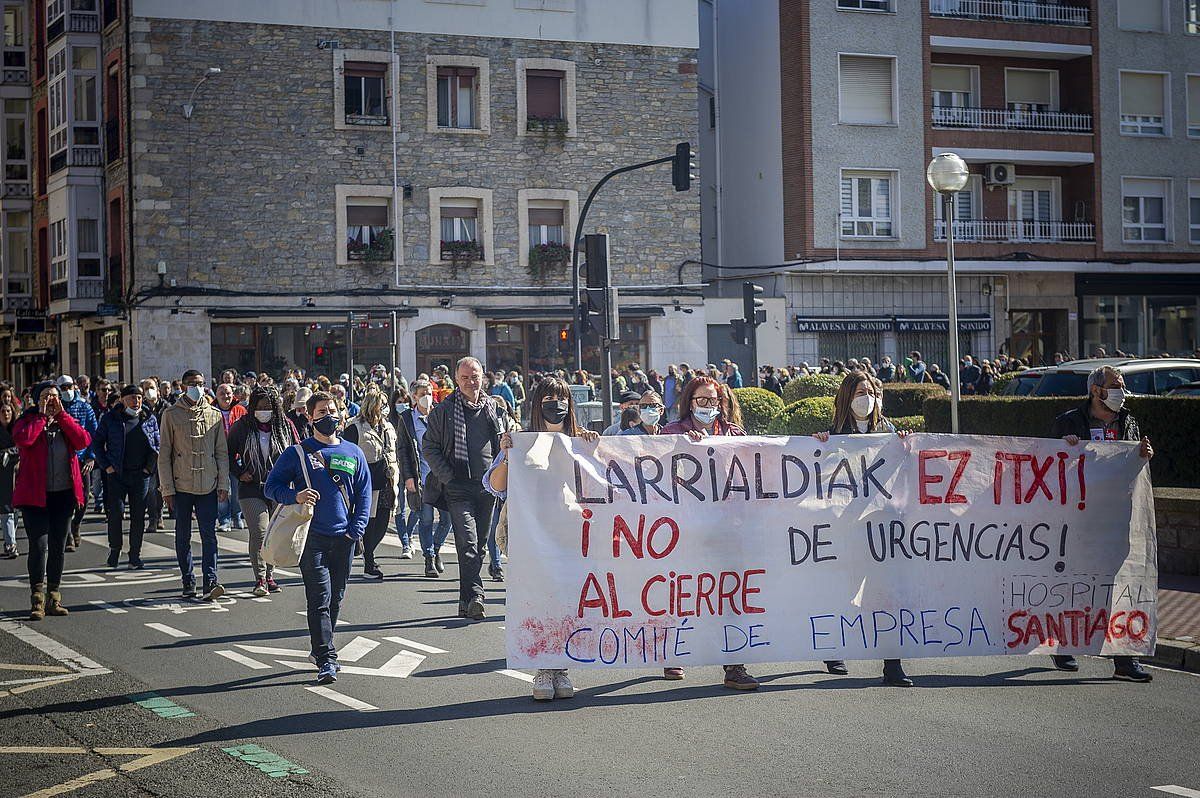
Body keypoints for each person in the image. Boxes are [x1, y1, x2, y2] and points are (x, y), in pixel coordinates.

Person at [486, 376, 599, 700]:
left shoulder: (580, 441)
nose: (556, 403)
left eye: (561, 397)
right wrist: (507, 454)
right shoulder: (521, 441)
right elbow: (495, 485)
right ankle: (543, 668)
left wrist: (592, 447)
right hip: (533, 537)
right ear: (537, 404)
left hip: (570, 535)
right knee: (539, 599)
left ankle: (560, 668)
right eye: (549, 397)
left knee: (566, 601)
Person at [1050, 365, 1154, 683]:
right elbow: (1047, 465)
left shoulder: (1128, 421)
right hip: (1079, 519)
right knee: (1075, 582)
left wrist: (1144, 454)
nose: (1121, 392)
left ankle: (1124, 658)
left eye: (1121, 386)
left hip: (1118, 517)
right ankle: (1063, 643)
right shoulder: (1069, 422)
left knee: (1121, 586)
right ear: (1096, 390)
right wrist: (1062, 448)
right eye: (1115, 386)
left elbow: (1131, 464)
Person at [814, 373, 914, 687]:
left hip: (881, 528)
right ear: (847, 397)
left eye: (871, 391)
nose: (866, 397)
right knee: (843, 590)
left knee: (885, 593)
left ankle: (892, 664)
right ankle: (833, 648)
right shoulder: (833, 435)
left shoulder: (887, 431)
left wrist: (906, 444)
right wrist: (816, 447)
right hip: (846, 528)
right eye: (860, 391)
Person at [265, 390, 371, 685]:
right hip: (311, 537)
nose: (329, 416)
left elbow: (363, 495)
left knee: (336, 597)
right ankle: (327, 658)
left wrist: (356, 530)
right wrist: (294, 495)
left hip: (345, 538)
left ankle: (320, 647)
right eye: (322, 412)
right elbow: (271, 486)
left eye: (333, 410)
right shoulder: (297, 453)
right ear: (309, 417)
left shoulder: (353, 452)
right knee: (319, 598)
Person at [660, 376, 758, 690]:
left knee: (728, 594)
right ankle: (674, 650)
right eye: (701, 400)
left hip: (727, 528)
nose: (708, 405)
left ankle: (734, 665)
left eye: (713, 401)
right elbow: (654, 474)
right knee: (682, 590)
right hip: (684, 528)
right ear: (689, 402)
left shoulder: (733, 434)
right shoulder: (671, 433)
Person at [421, 357, 502, 621]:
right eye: (465, 378)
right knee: (467, 543)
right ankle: (477, 595)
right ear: (457, 380)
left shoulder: (493, 407)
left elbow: (501, 441)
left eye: (475, 376)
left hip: (487, 487)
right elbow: (429, 446)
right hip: (457, 487)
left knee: (479, 546)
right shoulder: (443, 411)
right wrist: (447, 477)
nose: (471, 382)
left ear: (483, 377)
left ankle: (465, 599)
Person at [12, 381, 91, 620]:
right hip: (35, 497)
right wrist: (42, 417)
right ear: (37, 400)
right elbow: (24, 440)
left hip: (63, 495)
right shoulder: (27, 421)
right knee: (38, 547)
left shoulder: (65, 421)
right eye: (46, 396)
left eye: (55, 396)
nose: (52, 400)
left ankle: (54, 596)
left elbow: (83, 441)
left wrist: (62, 416)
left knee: (58, 547)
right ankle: (37, 598)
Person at [159, 369, 229, 601]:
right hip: (181, 486)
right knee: (182, 536)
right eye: (191, 384)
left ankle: (210, 580)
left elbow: (221, 453)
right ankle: (188, 579)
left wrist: (223, 483)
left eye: (200, 383)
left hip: (208, 484)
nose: (196, 387)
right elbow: (164, 454)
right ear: (182, 386)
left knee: (209, 535)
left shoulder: (214, 414)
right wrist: (166, 489)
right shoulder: (170, 414)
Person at [228, 386, 298, 595]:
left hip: (279, 489)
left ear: (275, 407)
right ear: (253, 407)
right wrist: (239, 472)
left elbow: (297, 451)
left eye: (268, 406)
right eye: (259, 407)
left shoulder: (285, 426)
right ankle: (259, 579)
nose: (264, 410)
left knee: (274, 534)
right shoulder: (242, 427)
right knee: (259, 533)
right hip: (251, 489)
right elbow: (227, 453)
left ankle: (270, 575)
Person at [91, 385, 159, 570]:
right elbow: (97, 444)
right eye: (132, 398)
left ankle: (134, 555)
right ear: (122, 399)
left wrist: (148, 469)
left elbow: (157, 445)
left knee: (138, 516)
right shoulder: (111, 418)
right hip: (117, 475)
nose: (136, 401)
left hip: (141, 476)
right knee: (116, 513)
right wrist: (107, 466)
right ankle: (115, 549)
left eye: (139, 397)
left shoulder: (149, 418)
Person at [397, 380, 453, 578]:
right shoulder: (406, 419)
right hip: (422, 477)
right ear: (414, 396)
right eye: (423, 393)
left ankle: (436, 549)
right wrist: (408, 477)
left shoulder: (441, 414)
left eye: (430, 392)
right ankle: (428, 557)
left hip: (443, 477)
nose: (428, 396)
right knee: (426, 519)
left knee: (447, 520)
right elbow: (402, 449)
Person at [344, 389, 399, 580]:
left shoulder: (388, 426)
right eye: (381, 404)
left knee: (383, 523)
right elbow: (347, 455)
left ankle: (367, 551)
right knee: (369, 522)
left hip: (388, 482)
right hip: (367, 483)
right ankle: (369, 562)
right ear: (372, 405)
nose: (385, 408)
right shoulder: (355, 427)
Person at [56, 375, 97, 552]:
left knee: (84, 496)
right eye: (63, 388)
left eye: (69, 386)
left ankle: (76, 524)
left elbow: (94, 433)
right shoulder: (55, 410)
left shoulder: (85, 407)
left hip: (81, 460)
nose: (67, 390)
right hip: (60, 461)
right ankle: (68, 536)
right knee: (65, 500)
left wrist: (91, 456)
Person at [214, 383, 247, 532]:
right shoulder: (211, 411)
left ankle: (237, 516)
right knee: (222, 489)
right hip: (218, 456)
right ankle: (224, 519)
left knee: (237, 489)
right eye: (222, 393)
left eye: (228, 393)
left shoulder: (240, 410)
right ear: (216, 396)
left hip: (237, 456)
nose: (225, 396)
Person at [0, 402, 18, 559]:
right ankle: (10, 543)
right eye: (3, 411)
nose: (6, 414)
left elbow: (24, 446)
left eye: (8, 411)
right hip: (3, 474)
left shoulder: (17, 429)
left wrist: (10, 452)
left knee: (16, 509)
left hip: (17, 472)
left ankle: (11, 540)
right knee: (6, 509)